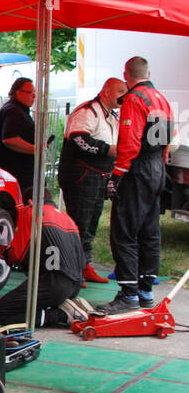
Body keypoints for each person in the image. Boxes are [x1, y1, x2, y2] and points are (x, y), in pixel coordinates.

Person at [106, 56, 175, 313]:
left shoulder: (134, 99)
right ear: (148, 72)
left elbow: (130, 142)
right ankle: (146, 290)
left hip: (138, 168)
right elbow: (168, 139)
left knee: (124, 232)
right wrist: (160, 166)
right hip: (157, 167)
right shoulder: (161, 98)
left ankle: (128, 293)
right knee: (149, 231)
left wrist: (117, 175)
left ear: (126, 74)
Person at [58, 77, 127, 282]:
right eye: (120, 91)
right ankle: (74, 270)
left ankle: (83, 266)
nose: (124, 96)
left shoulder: (111, 115)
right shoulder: (87, 111)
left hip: (98, 176)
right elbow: (79, 139)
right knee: (80, 224)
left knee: (90, 226)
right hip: (81, 176)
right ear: (106, 91)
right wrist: (109, 150)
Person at [0, 190, 87, 328]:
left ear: (28, 200)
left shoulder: (32, 212)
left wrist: (2, 252)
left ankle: (60, 315)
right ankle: (63, 306)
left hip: (54, 283)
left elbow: (18, 255)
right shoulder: (66, 218)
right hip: (75, 284)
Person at [0, 76, 36, 195]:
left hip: (15, 173)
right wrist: (36, 150)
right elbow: (10, 139)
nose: (34, 96)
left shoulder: (14, 110)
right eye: (31, 93)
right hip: (14, 173)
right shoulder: (13, 111)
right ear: (18, 93)